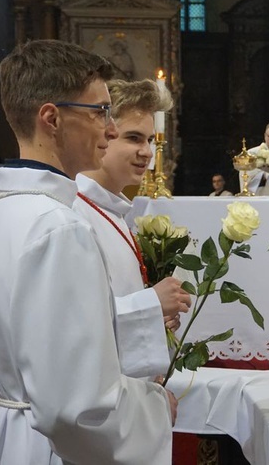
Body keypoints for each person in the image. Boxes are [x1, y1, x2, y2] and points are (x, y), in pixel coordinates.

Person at [0, 39, 176, 465]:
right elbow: (78, 411)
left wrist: (14, 405)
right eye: (100, 113)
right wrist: (154, 409)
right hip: (56, 451)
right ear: (52, 118)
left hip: (11, 435)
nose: (109, 129)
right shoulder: (60, 226)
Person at [74, 78, 191, 378]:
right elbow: (73, 324)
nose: (148, 152)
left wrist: (156, 317)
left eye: (150, 140)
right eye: (134, 138)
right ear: (104, 134)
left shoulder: (110, 210)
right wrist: (152, 302)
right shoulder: (74, 214)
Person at [240, 121, 269, 195]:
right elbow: (246, 174)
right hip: (259, 192)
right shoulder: (252, 153)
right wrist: (264, 174)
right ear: (265, 135)